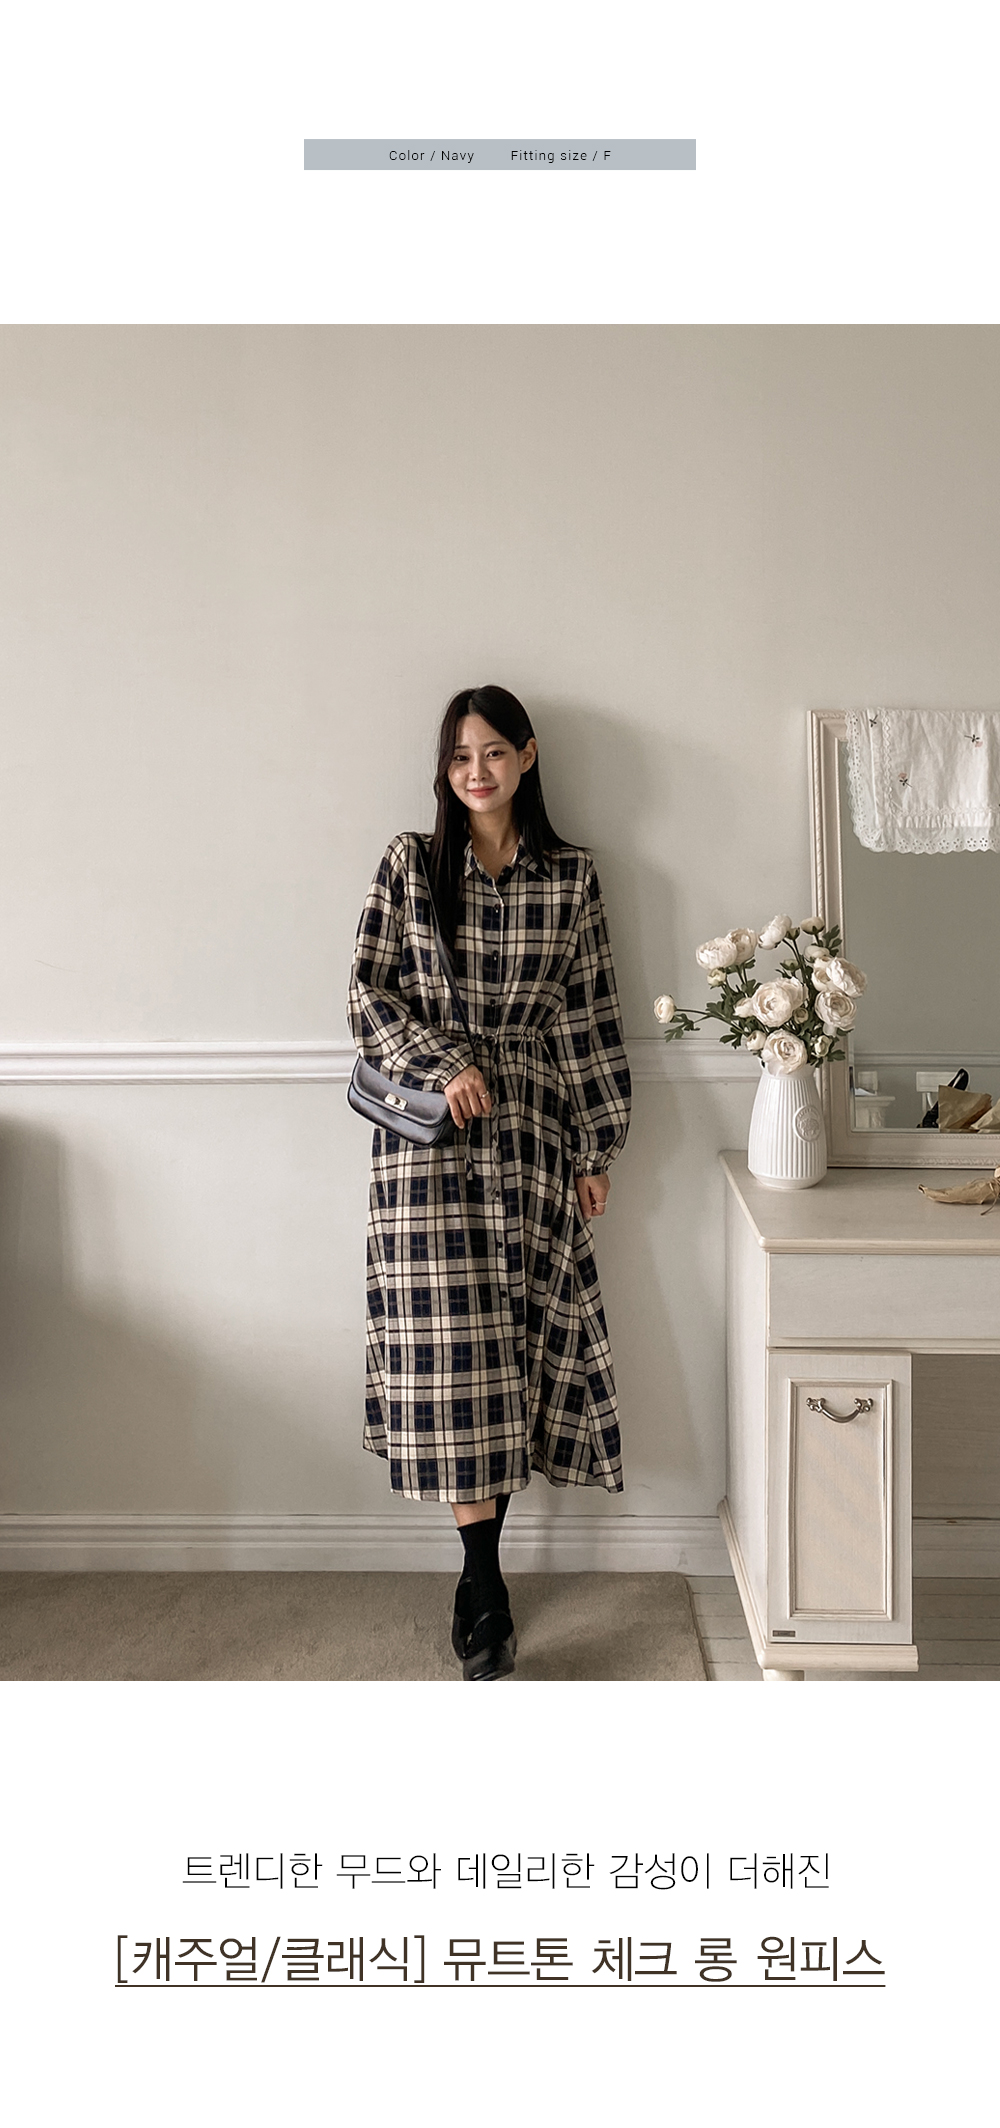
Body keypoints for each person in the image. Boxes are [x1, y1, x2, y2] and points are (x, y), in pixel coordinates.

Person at [347, 685, 631, 1680]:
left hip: (536, 1136)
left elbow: (590, 1015)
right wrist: (444, 1063)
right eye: (461, 755)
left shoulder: (571, 876)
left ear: (527, 756)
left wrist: (595, 1148)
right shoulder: (410, 865)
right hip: (428, 1151)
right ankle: (485, 1583)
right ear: (446, 766)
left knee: (518, 1349)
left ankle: (482, 1581)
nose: (477, 771)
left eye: (494, 752)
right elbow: (367, 994)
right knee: (453, 1360)